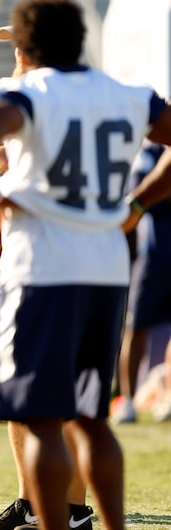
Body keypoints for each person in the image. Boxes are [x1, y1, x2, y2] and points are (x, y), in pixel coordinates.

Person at [0, 0, 171, 530]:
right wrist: (141, 201)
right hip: (103, 267)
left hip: (41, 269)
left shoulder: (26, 93)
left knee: (40, 423)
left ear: (27, 47)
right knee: (92, 419)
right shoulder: (130, 94)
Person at [111, 140, 171, 424]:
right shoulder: (149, 153)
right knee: (136, 327)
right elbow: (142, 197)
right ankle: (128, 399)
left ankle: (168, 394)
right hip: (154, 254)